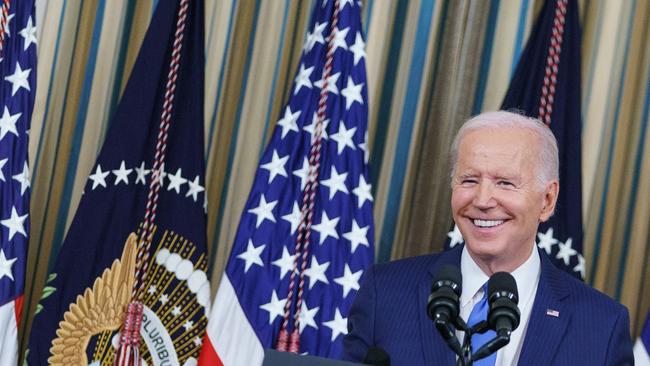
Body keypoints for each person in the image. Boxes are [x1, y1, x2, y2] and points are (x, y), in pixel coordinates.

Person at [342, 111, 634, 365]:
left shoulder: (602, 327)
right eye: (469, 180)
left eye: (505, 183)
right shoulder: (385, 293)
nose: (482, 200)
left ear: (546, 200)